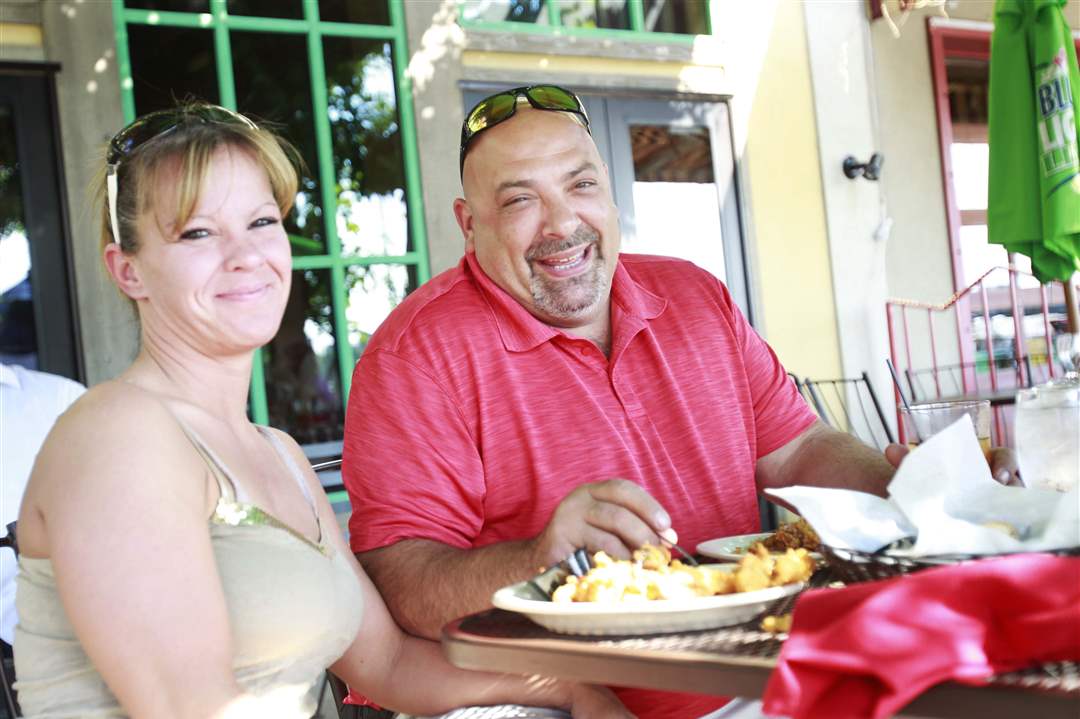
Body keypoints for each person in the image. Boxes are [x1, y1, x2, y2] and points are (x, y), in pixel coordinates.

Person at [341, 85, 1017, 719]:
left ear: (609, 191)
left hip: (765, 679)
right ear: (469, 224)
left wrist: (918, 488)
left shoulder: (696, 296)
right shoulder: (414, 356)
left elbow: (800, 449)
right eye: (521, 200)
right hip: (568, 703)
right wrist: (539, 560)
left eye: (581, 185)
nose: (563, 223)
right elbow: (400, 583)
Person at [12, 102, 629, 718]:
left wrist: (570, 689)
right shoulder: (119, 433)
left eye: (261, 221)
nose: (246, 255)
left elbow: (389, 664)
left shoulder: (278, 454)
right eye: (198, 232)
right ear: (128, 272)